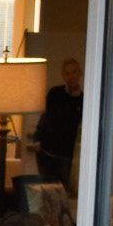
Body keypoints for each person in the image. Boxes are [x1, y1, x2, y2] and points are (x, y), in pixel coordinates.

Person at [31, 57, 83, 185]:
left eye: (74, 72)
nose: (71, 76)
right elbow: (46, 116)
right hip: (46, 150)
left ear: (79, 73)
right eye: (67, 73)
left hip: (66, 154)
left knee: (62, 189)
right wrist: (37, 139)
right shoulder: (55, 94)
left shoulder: (83, 100)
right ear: (64, 76)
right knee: (46, 189)